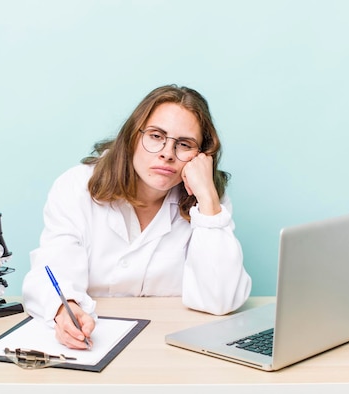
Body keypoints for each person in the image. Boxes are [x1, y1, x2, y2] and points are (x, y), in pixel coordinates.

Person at [21, 84, 252, 349]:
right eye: (156, 136)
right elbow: (52, 269)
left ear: (201, 156)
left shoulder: (207, 203)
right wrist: (65, 310)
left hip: (171, 349)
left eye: (184, 144)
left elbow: (221, 300)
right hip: (95, 342)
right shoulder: (76, 187)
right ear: (133, 136)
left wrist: (209, 202)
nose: (167, 153)